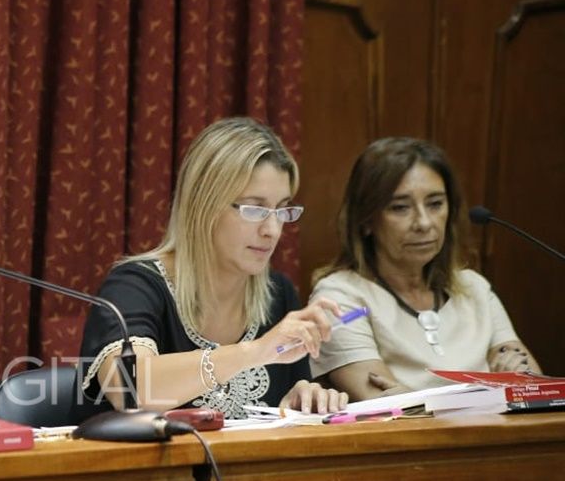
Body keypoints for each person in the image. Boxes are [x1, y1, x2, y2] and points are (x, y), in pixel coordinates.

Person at [78, 117, 349, 419]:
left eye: (282, 210)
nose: (272, 230)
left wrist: (304, 396)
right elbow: (131, 390)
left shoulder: (277, 293)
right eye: (255, 209)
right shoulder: (134, 286)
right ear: (204, 205)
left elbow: (285, 405)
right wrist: (253, 352)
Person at [309, 137, 541, 399]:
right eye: (400, 208)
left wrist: (418, 398)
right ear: (366, 221)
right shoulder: (340, 299)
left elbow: (534, 389)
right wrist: (493, 390)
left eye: (435, 204)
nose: (423, 222)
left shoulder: (474, 289)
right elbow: (388, 407)